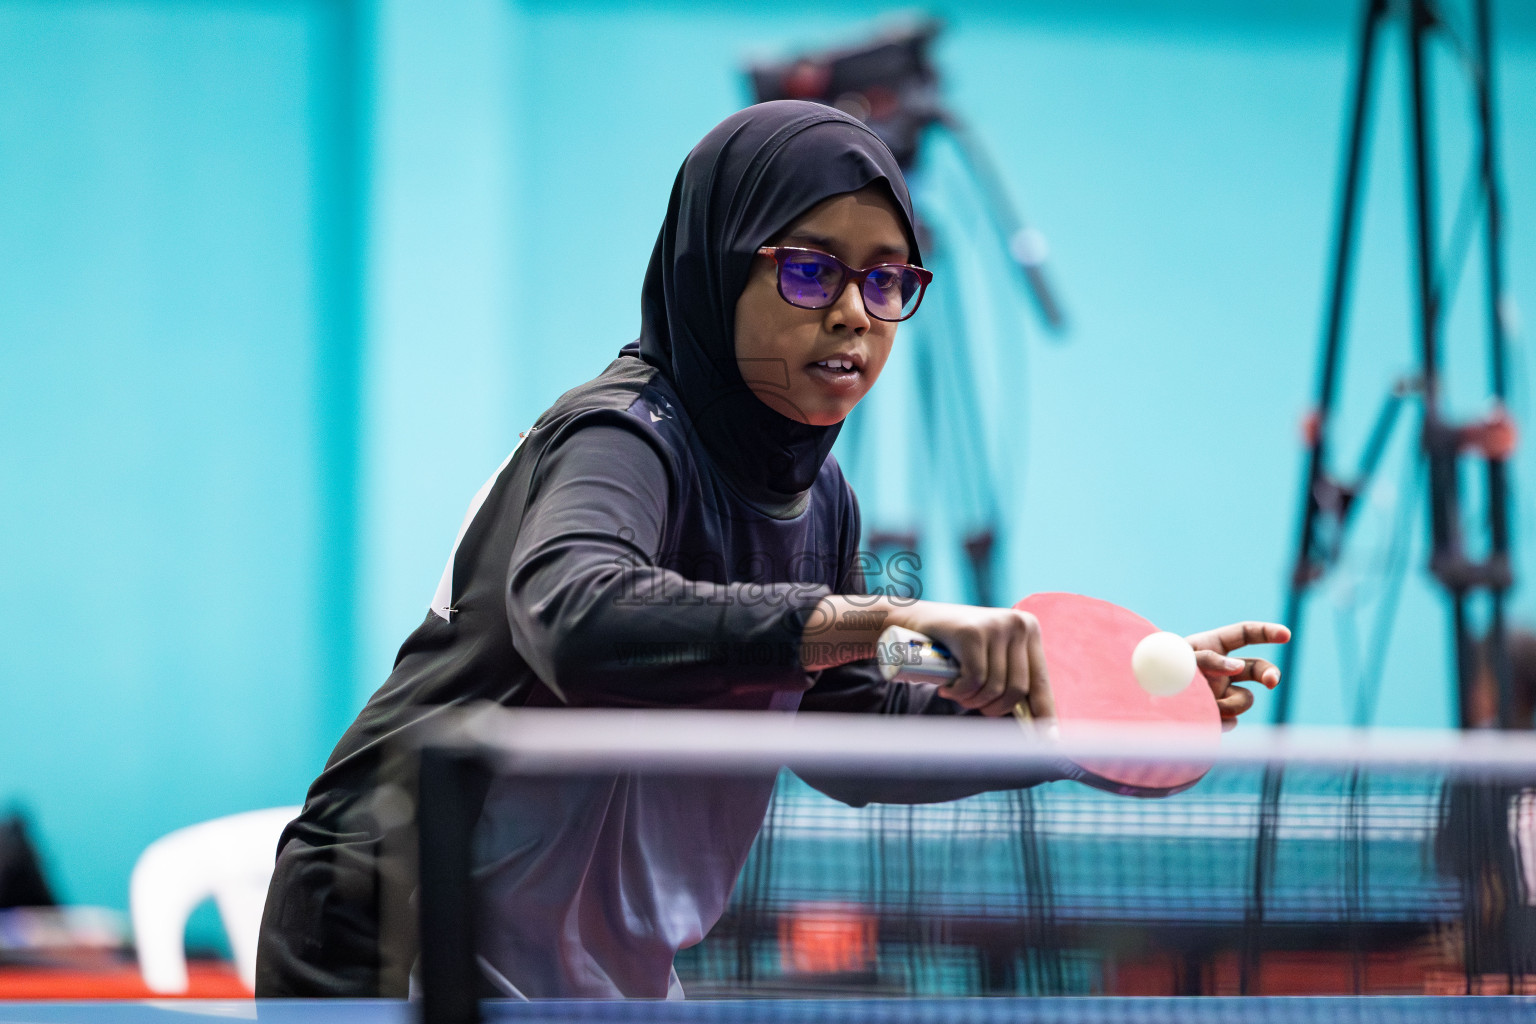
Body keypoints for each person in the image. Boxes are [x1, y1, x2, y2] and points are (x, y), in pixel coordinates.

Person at [254, 100, 1287, 999]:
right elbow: (578, 615)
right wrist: (884, 616)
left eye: (887, 283)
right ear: (716, 269)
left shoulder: (820, 499)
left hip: (587, 963)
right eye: (808, 270)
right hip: (397, 938)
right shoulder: (622, 436)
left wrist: (1060, 715)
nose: (853, 314)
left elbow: (848, 735)